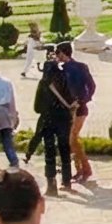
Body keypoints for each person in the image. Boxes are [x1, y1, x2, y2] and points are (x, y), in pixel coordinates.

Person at [30, 45, 78, 195]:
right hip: (64, 118)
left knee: (49, 151)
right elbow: (73, 97)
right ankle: (67, 181)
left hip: (48, 119)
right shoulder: (65, 79)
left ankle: (51, 185)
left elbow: (37, 107)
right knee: (64, 148)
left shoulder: (44, 84)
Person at [56, 43, 96, 184]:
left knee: (72, 139)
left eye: (57, 53)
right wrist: (84, 100)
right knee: (73, 139)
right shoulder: (81, 66)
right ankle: (80, 169)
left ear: (62, 53)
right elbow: (91, 86)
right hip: (80, 106)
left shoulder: (63, 70)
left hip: (75, 108)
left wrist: (80, 102)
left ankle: (85, 168)